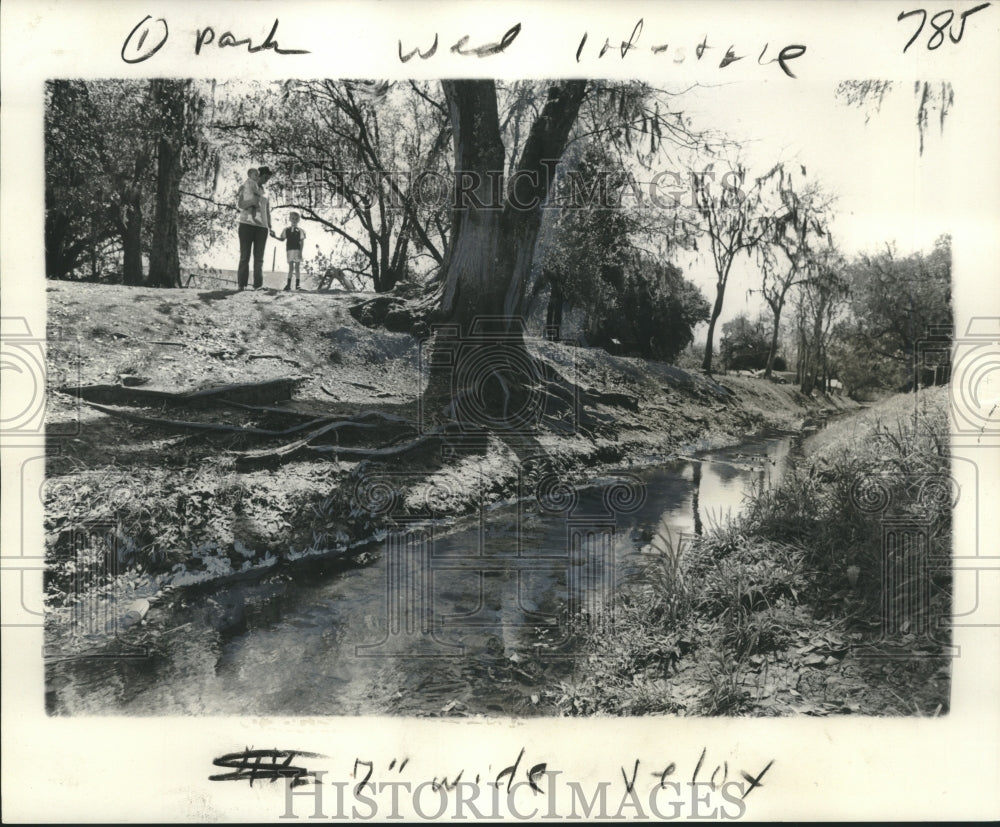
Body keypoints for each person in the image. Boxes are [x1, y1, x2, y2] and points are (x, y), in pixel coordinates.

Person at [236, 166, 273, 290]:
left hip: (262, 228)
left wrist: (270, 226)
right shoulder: (246, 187)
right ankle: (241, 285)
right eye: (264, 177)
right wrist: (252, 201)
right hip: (246, 224)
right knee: (244, 256)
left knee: (259, 258)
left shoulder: (266, 193)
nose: (266, 180)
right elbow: (240, 204)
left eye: (268, 178)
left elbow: (267, 211)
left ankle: (258, 285)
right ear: (257, 175)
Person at [272, 212, 306, 291]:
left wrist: (301, 252)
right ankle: (288, 285)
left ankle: (297, 285)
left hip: (297, 250)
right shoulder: (286, 230)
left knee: (297, 267)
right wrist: (274, 237)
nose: (294, 220)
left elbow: (302, 242)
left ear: (298, 220)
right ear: (290, 219)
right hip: (289, 250)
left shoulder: (301, 230)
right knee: (291, 268)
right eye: (293, 218)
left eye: (296, 219)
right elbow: (282, 239)